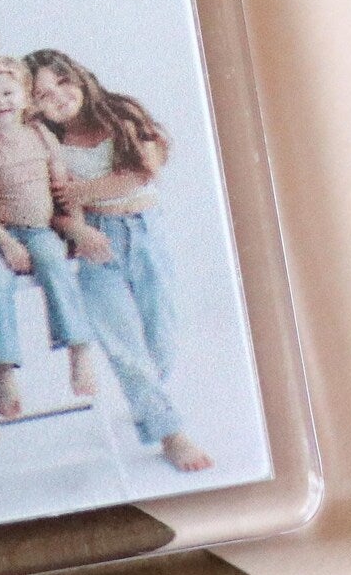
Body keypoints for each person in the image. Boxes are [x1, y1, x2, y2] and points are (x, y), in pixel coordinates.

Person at [27, 49, 214, 473]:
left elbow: (144, 170)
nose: (56, 96)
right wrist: (77, 228)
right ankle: (172, 433)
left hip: (145, 232)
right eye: (41, 93)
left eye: (62, 82)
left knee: (161, 338)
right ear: (32, 103)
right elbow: (45, 205)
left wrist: (81, 192)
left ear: (80, 77)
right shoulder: (45, 139)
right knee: (123, 345)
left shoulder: (119, 112)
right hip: (96, 243)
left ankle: (148, 404)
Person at [0, 56, 102, 422]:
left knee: (54, 264)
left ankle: (78, 349)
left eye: (8, 93)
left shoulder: (41, 136)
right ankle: (4, 372)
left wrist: (74, 227)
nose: (0, 102)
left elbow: (62, 186)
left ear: (26, 98)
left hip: (41, 232)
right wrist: (6, 244)